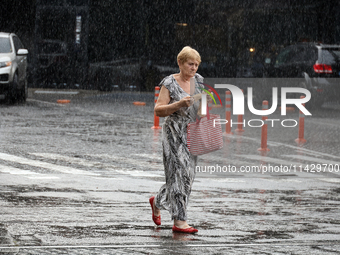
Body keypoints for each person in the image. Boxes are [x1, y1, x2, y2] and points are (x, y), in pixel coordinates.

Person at [149, 46, 204, 234]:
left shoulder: (198, 81)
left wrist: (202, 111)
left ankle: (157, 201)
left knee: (188, 176)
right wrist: (179, 103)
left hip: (192, 131)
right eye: (191, 64)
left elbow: (201, 107)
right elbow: (158, 110)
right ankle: (180, 221)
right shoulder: (169, 83)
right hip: (174, 131)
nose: (194, 68)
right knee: (178, 174)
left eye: (196, 65)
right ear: (180, 63)